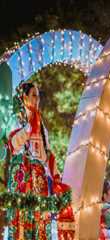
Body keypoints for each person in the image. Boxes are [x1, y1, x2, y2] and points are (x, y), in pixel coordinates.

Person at [7, 82, 75, 240]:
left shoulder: (41, 125)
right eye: (33, 95)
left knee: (41, 226)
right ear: (24, 97)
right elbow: (13, 146)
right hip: (22, 182)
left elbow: (48, 155)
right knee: (22, 226)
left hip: (40, 184)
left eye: (38, 96)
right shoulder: (17, 119)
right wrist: (29, 128)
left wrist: (56, 177)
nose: (37, 99)